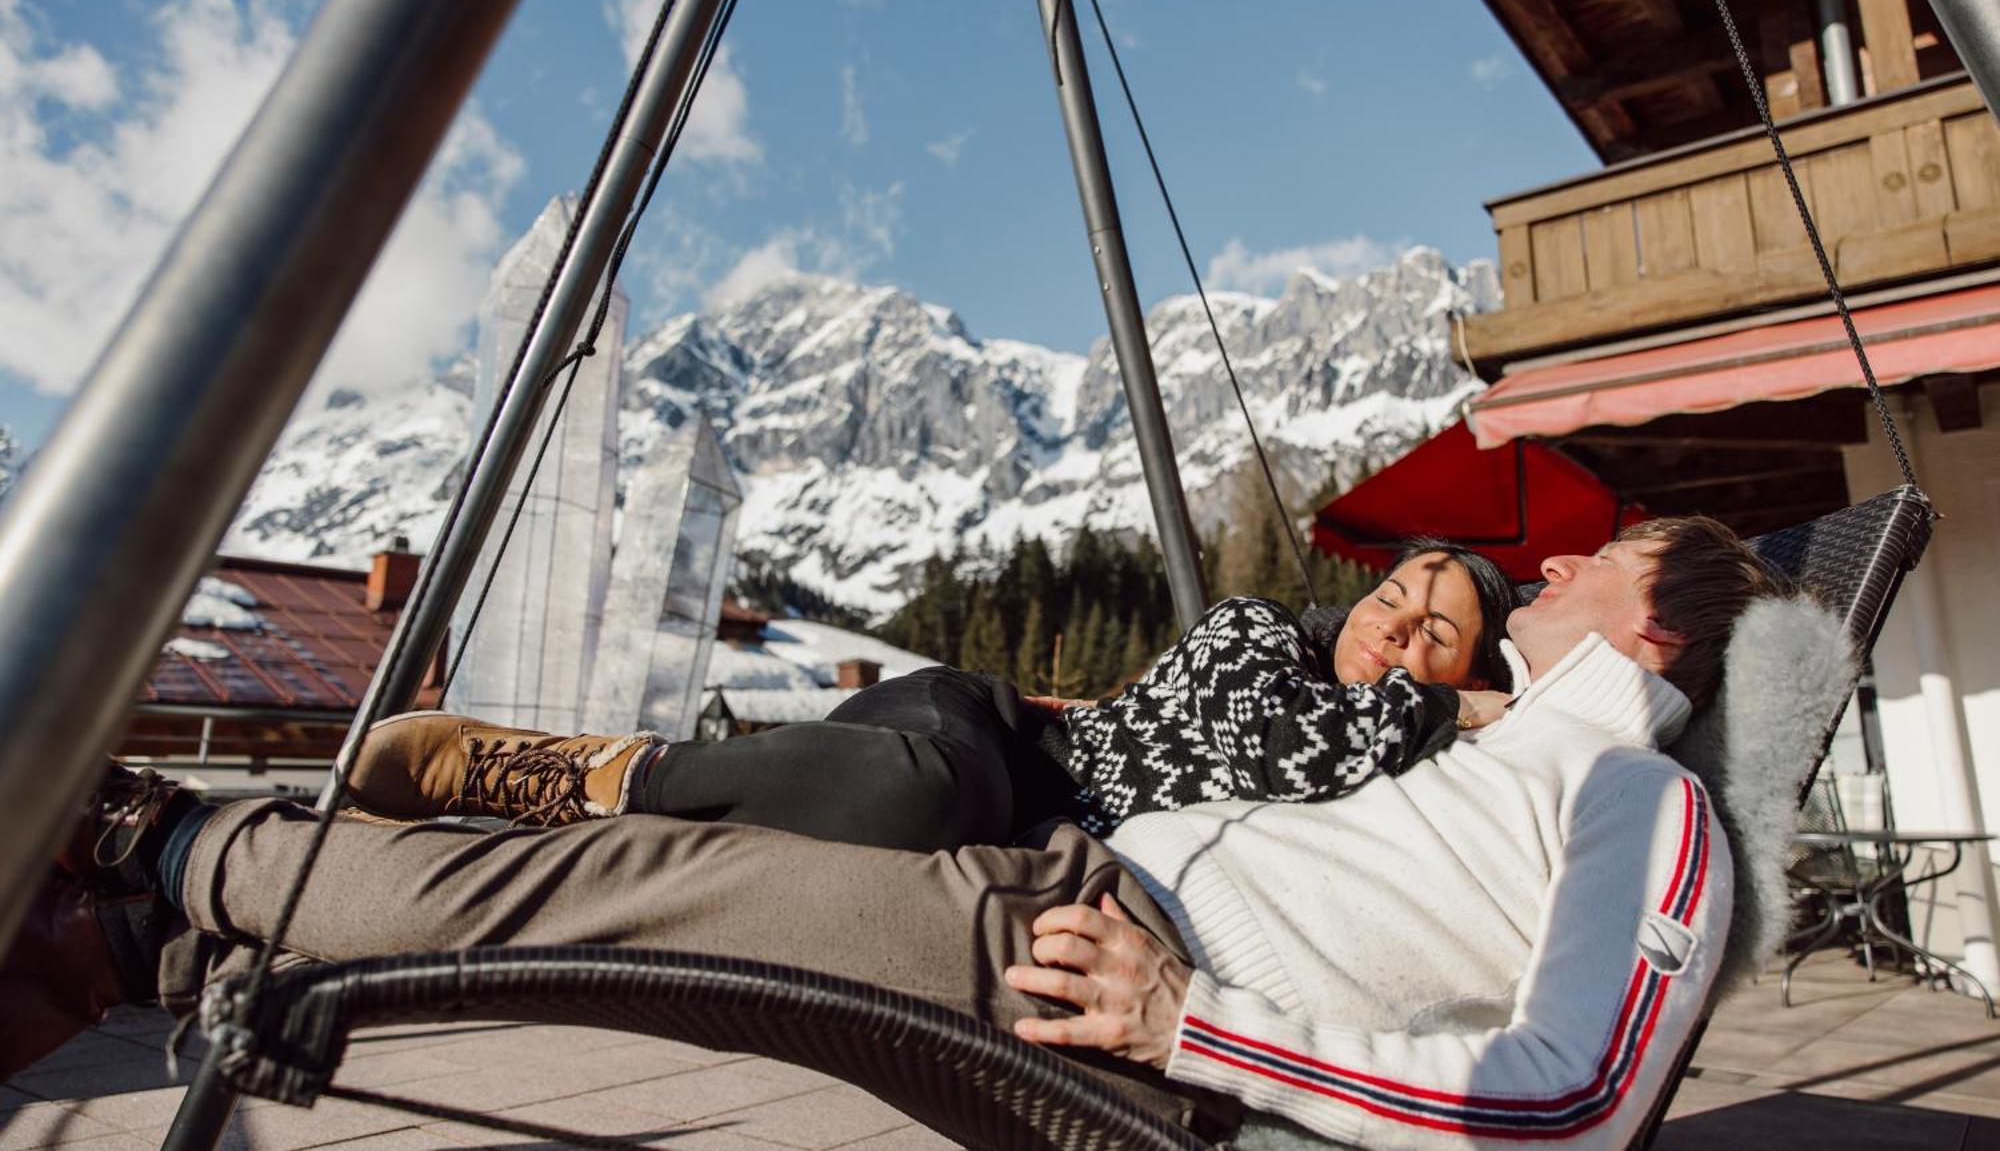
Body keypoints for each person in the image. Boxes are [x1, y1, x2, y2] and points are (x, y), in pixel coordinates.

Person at [7, 516, 1776, 1150]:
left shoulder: (1645, 796)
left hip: (1096, 987)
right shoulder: (1497, 754)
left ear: (1662, 628)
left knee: (610, 899)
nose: (1550, 563)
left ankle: (156, 833)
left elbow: (1569, 1101)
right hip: (1071, 888)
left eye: (1594, 564)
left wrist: (1190, 1025)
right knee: (626, 912)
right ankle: (138, 936)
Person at [344, 539, 1522, 850]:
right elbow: (1278, 742)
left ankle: (592, 798)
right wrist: (1440, 704)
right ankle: (566, 768)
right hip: (980, 728)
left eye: (1436, 634)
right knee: (935, 795)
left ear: (1471, 667)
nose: (1395, 623)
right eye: (1397, 593)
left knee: (925, 809)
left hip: (992, 793)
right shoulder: (1252, 633)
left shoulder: (1385, 742)